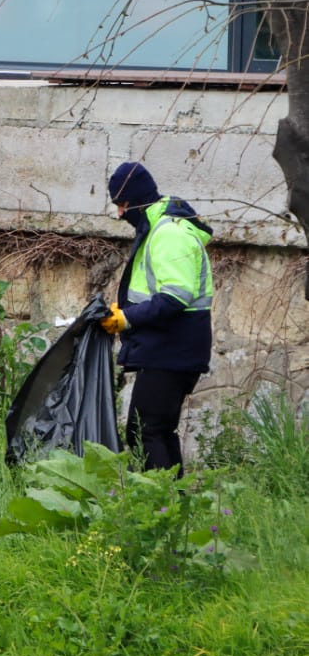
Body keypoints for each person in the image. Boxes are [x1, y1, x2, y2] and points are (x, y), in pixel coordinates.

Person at [99, 161, 213, 472]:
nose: (120, 213)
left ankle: (162, 508)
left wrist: (126, 319)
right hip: (169, 350)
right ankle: (174, 505)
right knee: (154, 431)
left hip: (173, 351)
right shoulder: (158, 229)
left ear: (135, 199)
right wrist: (123, 314)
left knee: (147, 432)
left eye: (121, 204)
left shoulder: (169, 234)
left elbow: (174, 299)